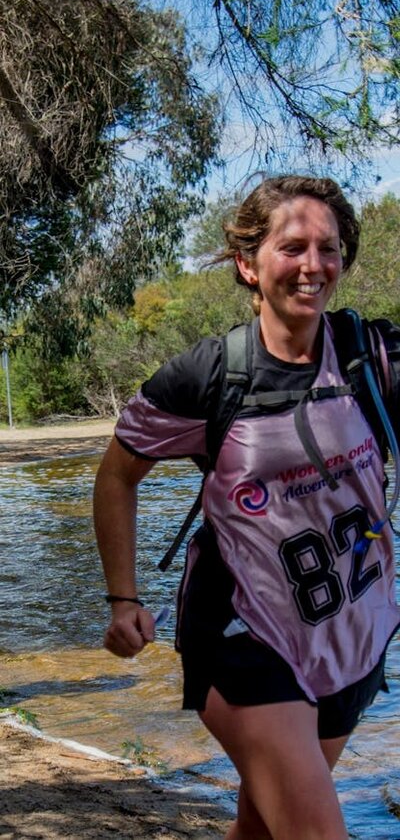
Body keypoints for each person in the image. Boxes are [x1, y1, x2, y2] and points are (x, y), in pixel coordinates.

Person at [93, 175, 400, 840]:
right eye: (292, 247)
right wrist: (123, 598)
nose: (313, 265)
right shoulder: (209, 377)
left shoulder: (370, 362)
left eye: (329, 248)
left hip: (355, 636)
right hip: (243, 636)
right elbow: (117, 476)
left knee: (265, 827)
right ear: (247, 264)